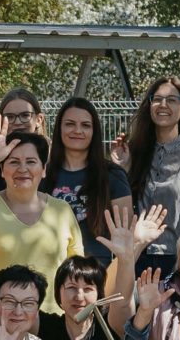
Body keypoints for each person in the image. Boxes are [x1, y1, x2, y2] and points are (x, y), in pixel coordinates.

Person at [0, 127, 86, 324]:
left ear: (43, 170)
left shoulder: (62, 210)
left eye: (31, 162)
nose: (22, 169)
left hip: (52, 329)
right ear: (2, 170)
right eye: (13, 162)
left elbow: (76, 272)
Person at [123, 75, 180, 270]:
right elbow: (122, 207)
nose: (163, 105)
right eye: (157, 99)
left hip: (176, 259)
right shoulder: (133, 151)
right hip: (136, 256)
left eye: (171, 100)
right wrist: (122, 167)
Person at [43, 97, 132, 258]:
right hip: (53, 272)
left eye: (85, 125)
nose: (77, 130)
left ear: (94, 131)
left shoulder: (112, 175)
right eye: (70, 124)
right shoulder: (42, 174)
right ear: (59, 129)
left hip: (98, 274)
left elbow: (126, 234)